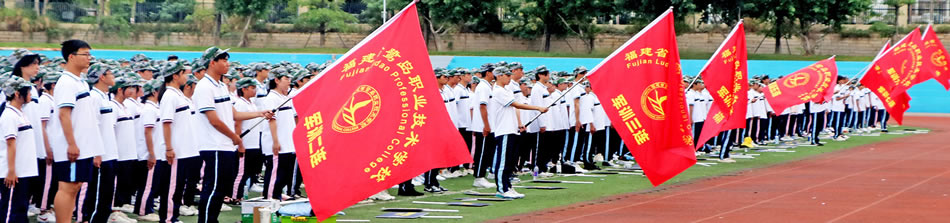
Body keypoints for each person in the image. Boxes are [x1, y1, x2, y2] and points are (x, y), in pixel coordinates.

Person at [193, 47, 271, 223]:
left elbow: (233, 114)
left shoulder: (221, 86)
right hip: (214, 146)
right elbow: (214, 120)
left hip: (225, 146)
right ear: (212, 63)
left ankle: (212, 219)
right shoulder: (204, 87)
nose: (228, 64)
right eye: (224, 60)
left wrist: (260, 113)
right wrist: (234, 137)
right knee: (212, 189)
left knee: (220, 189)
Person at [49, 40, 104, 223]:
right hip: (71, 146)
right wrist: (72, 143)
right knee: (67, 187)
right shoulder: (66, 82)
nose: (89, 58)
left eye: (90, 54)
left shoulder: (79, 82)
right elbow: (64, 115)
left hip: (82, 145)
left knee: (75, 186)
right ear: (71, 57)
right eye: (85, 54)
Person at [488, 67, 547, 199]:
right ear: (499, 76)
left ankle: (507, 186)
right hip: (503, 130)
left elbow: (515, 107)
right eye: (507, 75)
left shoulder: (506, 90)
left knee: (509, 161)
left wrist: (519, 124)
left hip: (511, 129)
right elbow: (517, 105)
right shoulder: (498, 91)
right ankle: (502, 189)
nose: (509, 77)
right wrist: (538, 108)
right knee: (503, 162)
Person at [158, 60, 202, 222]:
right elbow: (167, 123)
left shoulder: (178, 95)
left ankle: (173, 217)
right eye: (184, 73)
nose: (187, 76)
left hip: (184, 151)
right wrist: (169, 148)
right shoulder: (170, 95)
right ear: (175, 76)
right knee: (171, 189)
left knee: (177, 188)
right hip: (175, 151)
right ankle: (168, 218)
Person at [80, 64, 122, 223]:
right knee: (97, 195)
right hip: (101, 154)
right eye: (110, 74)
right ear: (102, 77)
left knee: (106, 196)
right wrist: (96, 152)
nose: (113, 77)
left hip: (110, 152)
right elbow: (92, 126)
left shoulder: (105, 96)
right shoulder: (94, 97)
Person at [0, 76, 40, 222]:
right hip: (13, 173)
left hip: (23, 171)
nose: (31, 94)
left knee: (20, 210)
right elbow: (10, 144)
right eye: (28, 91)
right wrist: (11, 171)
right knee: (10, 211)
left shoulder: (21, 114)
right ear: (17, 94)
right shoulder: (9, 115)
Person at [110, 76, 143, 222]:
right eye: (128, 88)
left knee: (124, 182)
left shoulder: (124, 106)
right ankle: (113, 212)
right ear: (119, 90)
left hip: (128, 152)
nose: (131, 90)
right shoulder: (113, 107)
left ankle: (119, 209)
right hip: (118, 153)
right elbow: (110, 131)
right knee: (115, 184)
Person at [261, 70, 298, 200]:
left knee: (284, 174)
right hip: (278, 144)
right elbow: (272, 120)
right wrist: (275, 141)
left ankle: (276, 195)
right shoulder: (271, 98)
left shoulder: (284, 97)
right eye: (285, 78)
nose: (289, 81)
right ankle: (270, 199)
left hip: (288, 144)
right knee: (275, 174)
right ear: (276, 80)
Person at [231, 78, 266, 203]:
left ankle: (240, 194)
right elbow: (237, 125)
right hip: (245, 144)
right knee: (241, 173)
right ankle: (235, 197)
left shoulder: (251, 103)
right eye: (251, 87)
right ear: (244, 89)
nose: (254, 90)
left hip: (253, 144)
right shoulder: (240, 104)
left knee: (248, 172)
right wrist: (240, 143)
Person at [466, 64, 496, 189]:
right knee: (482, 152)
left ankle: (481, 175)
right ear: (488, 73)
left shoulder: (488, 86)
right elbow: (482, 106)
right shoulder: (483, 87)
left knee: (487, 151)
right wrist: (486, 125)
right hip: (483, 126)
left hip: (488, 125)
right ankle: (478, 177)